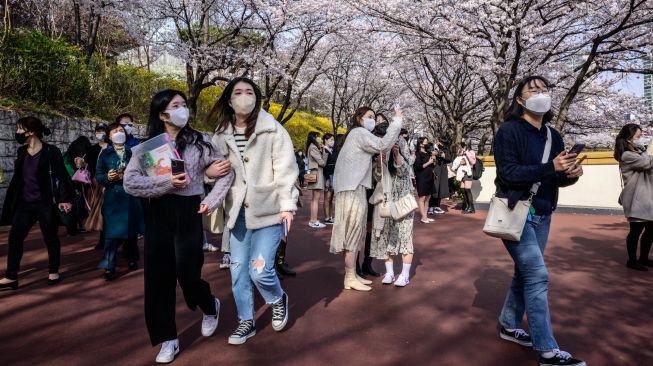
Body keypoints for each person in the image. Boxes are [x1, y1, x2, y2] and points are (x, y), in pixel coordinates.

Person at [124, 89, 233, 363]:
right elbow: (130, 182)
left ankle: (210, 305)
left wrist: (211, 201)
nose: (183, 109)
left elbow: (225, 173)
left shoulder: (200, 142)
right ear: (162, 114)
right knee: (158, 280)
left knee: (188, 273)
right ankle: (167, 338)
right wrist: (167, 183)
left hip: (189, 211)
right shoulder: (148, 148)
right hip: (158, 213)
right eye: (176, 105)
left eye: (184, 105)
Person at [493, 76, 585, 366]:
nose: (541, 94)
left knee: (525, 274)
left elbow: (552, 178)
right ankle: (547, 351)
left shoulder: (553, 136)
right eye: (533, 89)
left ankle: (509, 324)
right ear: (520, 99)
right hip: (516, 213)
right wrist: (549, 167)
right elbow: (508, 173)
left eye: (545, 90)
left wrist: (568, 175)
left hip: (543, 213)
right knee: (537, 276)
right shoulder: (508, 131)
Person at [207, 77, 298, 345]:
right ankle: (245, 321)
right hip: (237, 212)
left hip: (268, 210)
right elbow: (213, 169)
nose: (244, 96)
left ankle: (277, 298)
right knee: (238, 272)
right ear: (229, 99)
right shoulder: (221, 133)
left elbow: (285, 169)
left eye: (249, 92)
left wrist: (287, 206)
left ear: (257, 97)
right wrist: (210, 173)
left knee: (260, 270)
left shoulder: (273, 129)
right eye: (238, 92)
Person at [329, 105, 402, 292]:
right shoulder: (359, 133)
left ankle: (351, 275)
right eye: (370, 116)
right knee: (352, 235)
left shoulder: (354, 135)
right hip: (353, 189)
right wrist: (397, 120)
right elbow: (382, 144)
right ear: (359, 118)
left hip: (352, 188)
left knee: (353, 235)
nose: (373, 120)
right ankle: (350, 277)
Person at [0, 116, 73, 290]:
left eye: (19, 128)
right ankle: (11, 276)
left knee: (50, 238)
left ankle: (53, 271)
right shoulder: (22, 152)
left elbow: (62, 176)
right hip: (25, 203)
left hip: (45, 203)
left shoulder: (51, 152)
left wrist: (64, 199)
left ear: (30, 132)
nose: (17, 132)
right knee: (15, 237)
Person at [96, 123, 144, 280]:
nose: (119, 133)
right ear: (109, 136)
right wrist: (108, 178)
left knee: (131, 231)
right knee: (111, 234)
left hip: (131, 197)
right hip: (113, 198)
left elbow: (144, 172)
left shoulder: (133, 153)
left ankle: (132, 258)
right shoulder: (105, 154)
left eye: (121, 130)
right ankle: (109, 265)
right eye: (115, 131)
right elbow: (99, 175)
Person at [370, 137, 415, 287]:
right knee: (387, 237)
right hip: (388, 203)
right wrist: (378, 164)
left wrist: (397, 154)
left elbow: (402, 171)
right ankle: (389, 273)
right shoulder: (384, 157)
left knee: (405, 237)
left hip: (403, 205)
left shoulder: (404, 157)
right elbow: (377, 178)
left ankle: (405, 274)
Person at [614, 124, 653, 271]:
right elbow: (647, 163)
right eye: (637, 136)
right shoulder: (627, 155)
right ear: (628, 138)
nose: (640, 138)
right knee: (636, 230)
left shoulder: (637, 151)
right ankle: (632, 260)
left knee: (650, 230)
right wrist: (648, 149)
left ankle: (643, 258)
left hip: (648, 197)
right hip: (637, 198)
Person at [63, 136, 93, 234]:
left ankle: (71, 228)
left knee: (70, 204)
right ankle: (80, 225)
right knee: (78, 203)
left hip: (66, 182)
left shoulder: (67, 154)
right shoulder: (86, 151)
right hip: (77, 182)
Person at [306, 131, 327, 228]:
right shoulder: (313, 147)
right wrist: (324, 151)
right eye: (318, 137)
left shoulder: (312, 147)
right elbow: (322, 163)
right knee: (316, 199)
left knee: (314, 199)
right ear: (314, 137)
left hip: (313, 173)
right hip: (316, 174)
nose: (320, 139)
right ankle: (313, 221)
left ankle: (313, 220)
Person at [413, 137, 435, 223]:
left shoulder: (429, 153)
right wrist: (429, 162)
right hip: (422, 177)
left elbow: (433, 165)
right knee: (422, 197)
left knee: (428, 197)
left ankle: (425, 216)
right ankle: (423, 217)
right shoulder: (417, 154)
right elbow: (418, 167)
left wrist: (433, 160)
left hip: (430, 177)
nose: (427, 144)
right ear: (421, 144)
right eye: (426, 142)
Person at [430, 138, 451, 214]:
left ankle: (437, 206)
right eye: (441, 142)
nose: (442, 144)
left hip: (442, 170)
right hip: (434, 169)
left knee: (440, 188)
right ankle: (430, 207)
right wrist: (433, 154)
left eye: (443, 143)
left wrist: (443, 156)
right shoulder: (431, 147)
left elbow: (449, 159)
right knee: (434, 187)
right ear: (438, 141)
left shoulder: (445, 149)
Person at [452, 147, 475, 213]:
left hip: (468, 173)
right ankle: (466, 205)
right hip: (462, 173)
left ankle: (471, 207)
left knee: (467, 190)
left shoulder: (471, 152)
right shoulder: (461, 153)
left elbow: (472, 162)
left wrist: (466, 160)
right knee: (463, 189)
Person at [322, 133, 336, 224]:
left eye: (333, 140)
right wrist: (327, 178)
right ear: (326, 140)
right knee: (327, 197)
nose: (332, 141)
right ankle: (327, 217)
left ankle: (331, 216)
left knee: (331, 198)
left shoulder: (332, 150)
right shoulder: (324, 150)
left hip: (333, 174)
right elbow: (324, 165)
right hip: (327, 175)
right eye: (331, 139)